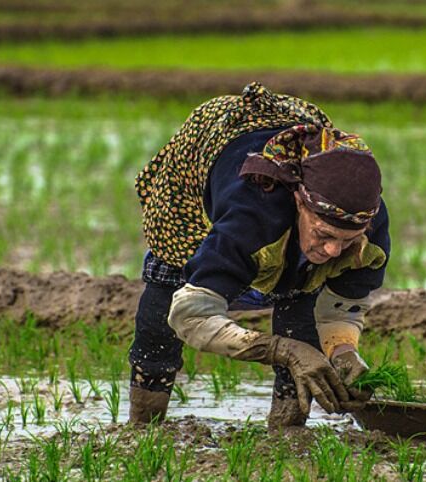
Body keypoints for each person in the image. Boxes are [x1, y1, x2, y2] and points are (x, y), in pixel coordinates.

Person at [129, 82, 391, 429]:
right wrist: (281, 350)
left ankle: (287, 431)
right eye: (324, 235)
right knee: (166, 293)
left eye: (346, 240)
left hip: (292, 151)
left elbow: (340, 308)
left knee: (300, 296)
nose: (332, 250)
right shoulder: (251, 216)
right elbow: (189, 315)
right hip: (209, 150)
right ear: (300, 203)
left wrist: (344, 351)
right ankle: (143, 427)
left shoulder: (366, 228)